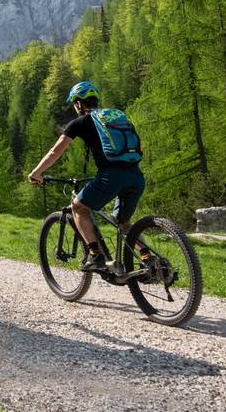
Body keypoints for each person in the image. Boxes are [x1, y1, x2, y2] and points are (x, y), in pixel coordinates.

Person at [26, 81, 146, 272]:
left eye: (74, 103)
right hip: (136, 176)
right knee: (122, 222)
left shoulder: (80, 122)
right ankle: (149, 259)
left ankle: (95, 255)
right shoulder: (115, 116)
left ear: (78, 103)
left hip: (111, 176)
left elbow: (55, 151)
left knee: (78, 207)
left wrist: (36, 173)